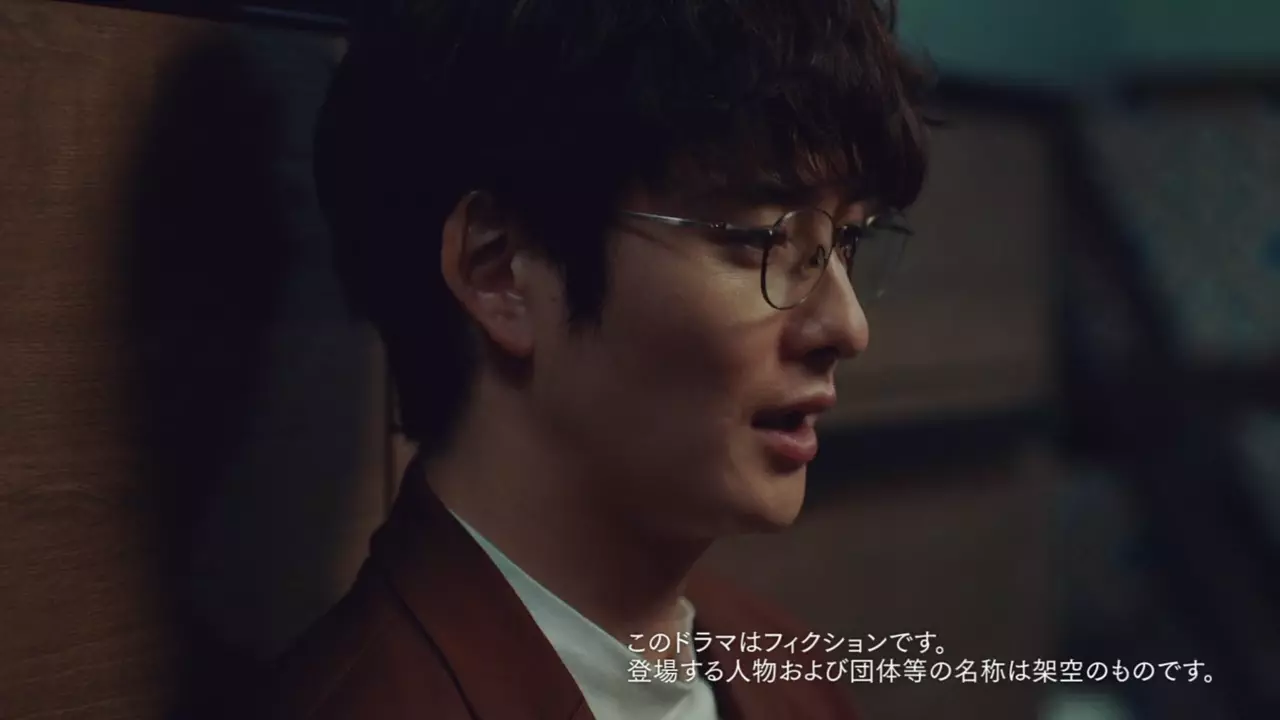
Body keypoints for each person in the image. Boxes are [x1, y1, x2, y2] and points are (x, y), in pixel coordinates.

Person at [259, 0, 930, 717]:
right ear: (500, 269)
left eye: (846, 241)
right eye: (761, 238)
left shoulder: (787, 671)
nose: (847, 327)